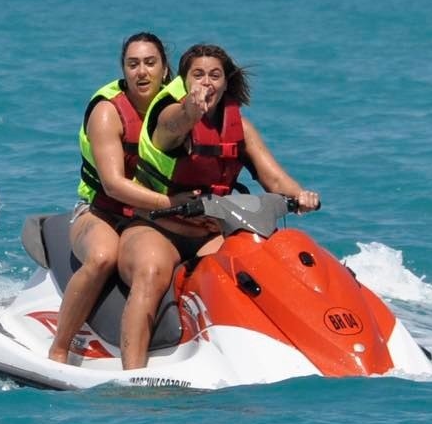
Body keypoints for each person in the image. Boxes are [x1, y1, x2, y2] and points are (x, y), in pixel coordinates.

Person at [114, 43, 321, 369]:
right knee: (151, 273)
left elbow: (276, 181)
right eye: (198, 75)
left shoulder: (240, 128)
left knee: (258, 270)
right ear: (184, 80)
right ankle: (133, 374)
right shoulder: (170, 114)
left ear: (226, 82)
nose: (206, 82)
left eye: (214, 75)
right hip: (156, 227)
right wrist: (190, 111)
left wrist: (302, 197)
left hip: (209, 231)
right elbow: (172, 127)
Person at [47, 32, 180, 364]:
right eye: (132, 64)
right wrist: (172, 204)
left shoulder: (179, 109)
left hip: (149, 217)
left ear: (165, 70)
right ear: (123, 70)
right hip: (100, 212)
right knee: (103, 257)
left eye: (150, 63)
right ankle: (60, 348)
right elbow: (113, 185)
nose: (141, 72)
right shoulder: (107, 111)